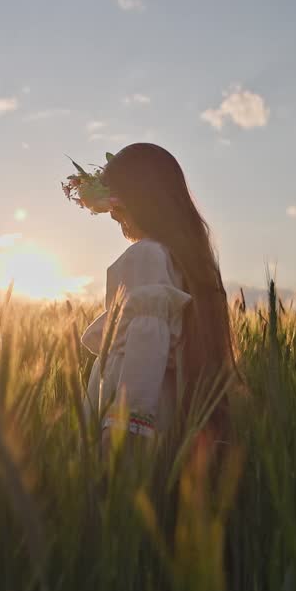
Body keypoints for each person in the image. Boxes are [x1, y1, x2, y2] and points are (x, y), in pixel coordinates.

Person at [78, 143, 234, 445]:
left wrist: (122, 431)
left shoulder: (146, 254)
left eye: (116, 203)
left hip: (134, 415)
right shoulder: (182, 260)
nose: (113, 216)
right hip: (165, 412)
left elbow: (145, 343)